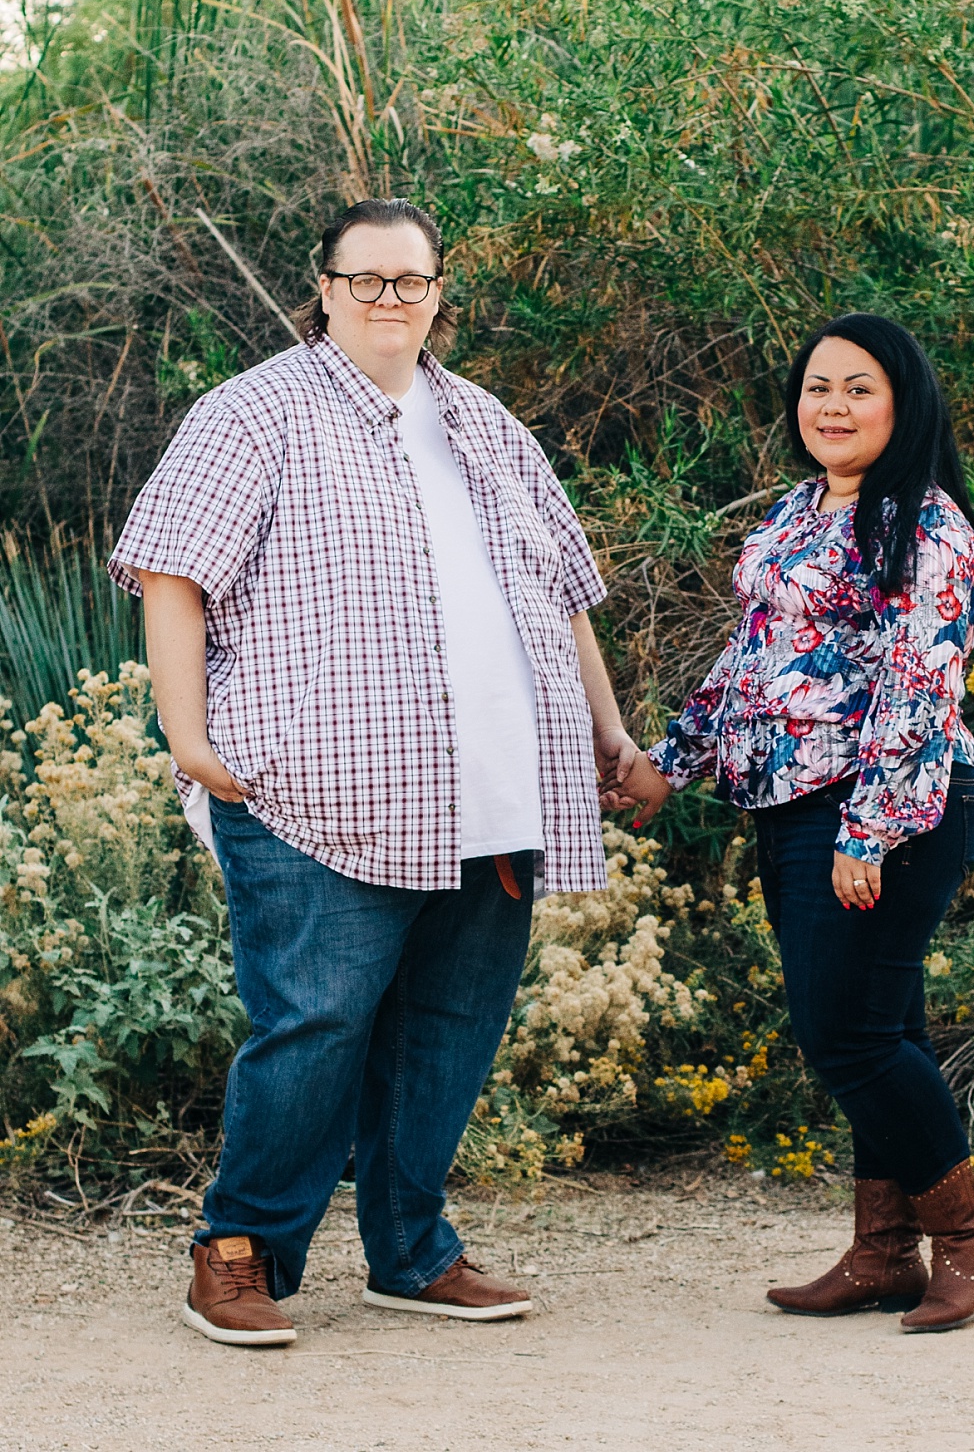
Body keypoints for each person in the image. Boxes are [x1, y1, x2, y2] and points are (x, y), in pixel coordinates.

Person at [109, 197, 636, 1347]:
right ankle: (240, 1252)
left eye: (413, 280)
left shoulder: (487, 424)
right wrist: (191, 746)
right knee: (317, 1021)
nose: (392, 299)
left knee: (450, 1026)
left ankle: (413, 1251)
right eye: (369, 280)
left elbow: (566, 598)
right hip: (318, 791)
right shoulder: (252, 415)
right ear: (327, 290)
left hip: (496, 785)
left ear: (440, 292)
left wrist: (609, 734)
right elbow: (169, 578)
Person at [606, 313, 974, 1334]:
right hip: (789, 802)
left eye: (859, 388)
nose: (831, 407)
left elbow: (923, 687)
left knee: (849, 1035)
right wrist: (670, 763)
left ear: (904, 401)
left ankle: (970, 1240)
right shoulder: (797, 511)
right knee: (882, 1027)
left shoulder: (926, 525)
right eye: (817, 388)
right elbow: (750, 661)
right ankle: (883, 1254)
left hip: (890, 803)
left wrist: (871, 830)